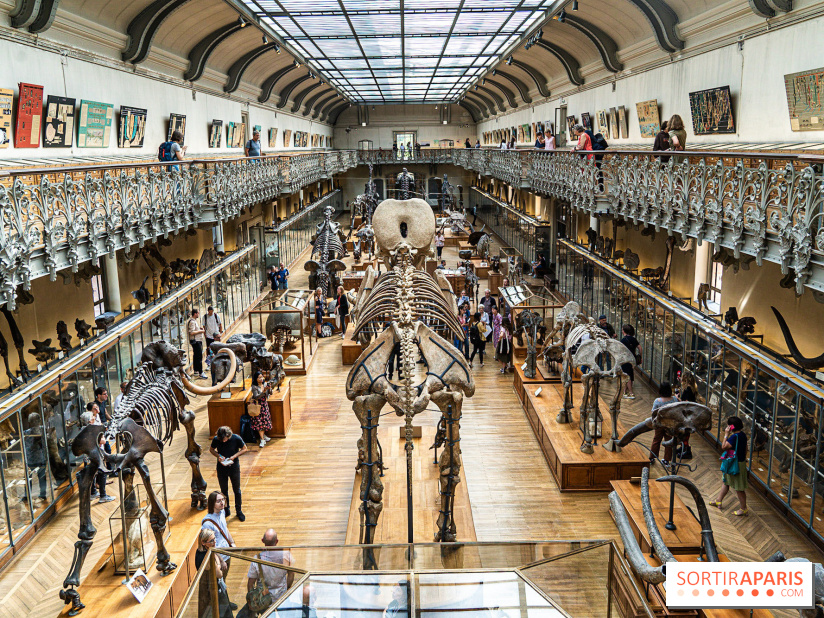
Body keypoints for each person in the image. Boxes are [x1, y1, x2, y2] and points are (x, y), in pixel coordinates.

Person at [237, 529, 294, 618]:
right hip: (281, 597)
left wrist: (254, 601)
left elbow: (251, 583)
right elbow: (291, 574)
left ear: (262, 541)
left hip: (263, 599)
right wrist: (286, 589)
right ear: (277, 541)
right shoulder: (286, 555)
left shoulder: (257, 558)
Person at [710, 416, 748, 516]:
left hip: (735, 464)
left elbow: (723, 446)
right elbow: (746, 448)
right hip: (739, 462)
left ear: (731, 427)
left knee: (739, 488)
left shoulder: (734, 437)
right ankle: (719, 500)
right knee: (726, 481)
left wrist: (726, 435)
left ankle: (743, 508)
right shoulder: (743, 435)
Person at [210, 427, 248, 521]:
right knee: (224, 490)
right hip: (221, 468)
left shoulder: (236, 438)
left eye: (225, 439)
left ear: (229, 435)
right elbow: (211, 450)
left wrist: (234, 457)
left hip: (234, 467)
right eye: (221, 439)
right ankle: (226, 509)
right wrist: (218, 456)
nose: (223, 441)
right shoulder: (216, 439)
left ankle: (239, 511)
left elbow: (244, 449)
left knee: (237, 490)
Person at [195, 528, 233, 618]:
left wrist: (221, 560)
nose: (215, 542)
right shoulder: (206, 558)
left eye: (214, 538)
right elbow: (219, 574)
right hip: (211, 588)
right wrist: (219, 563)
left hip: (211, 585)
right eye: (211, 541)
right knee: (219, 612)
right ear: (203, 543)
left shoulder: (203, 550)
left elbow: (214, 551)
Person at [649, 382, 679, 465]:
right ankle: (667, 460)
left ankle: (652, 457)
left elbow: (653, 412)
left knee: (656, 440)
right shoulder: (674, 399)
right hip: (669, 424)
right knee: (669, 440)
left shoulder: (657, 401)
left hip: (660, 424)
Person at [24, 412, 48, 502]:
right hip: (35, 458)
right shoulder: (40, 429)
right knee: (37, 477)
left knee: (34, 478)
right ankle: (38, 494)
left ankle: (33, 495)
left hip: (35, 458)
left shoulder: (29, 432)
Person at [675, 371, 698, 460]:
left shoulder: (688, 390)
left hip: (686, 415)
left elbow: (686, 403)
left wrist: (677, 399)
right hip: (689, 414)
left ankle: (687, 451)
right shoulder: (692, 388)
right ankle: (684, 448)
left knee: (685, 432)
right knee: (685, 432)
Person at [250, 372, 273, 448]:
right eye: (259, 377)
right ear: (256, 379)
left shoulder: (265, 384)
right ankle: (262, 439)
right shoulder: (254, 387)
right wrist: (263, 391)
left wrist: (269, 389)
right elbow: (256, 397)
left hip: (264, 404)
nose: (261, 379)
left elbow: (270, 393)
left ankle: (263, 435)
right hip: (258, 405)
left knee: (264, 420)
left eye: (261, 377)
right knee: (259, 422)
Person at [619, 324, 640, 399]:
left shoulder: (623, 340)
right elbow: (639, 347)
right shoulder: (633, 339)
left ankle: (631, 393)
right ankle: (625, 391)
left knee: (627, 376)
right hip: (632, 360)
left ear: (624, 331)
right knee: (629, 374)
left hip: (625, 360)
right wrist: (640, 356)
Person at [188, 308, 207, 379]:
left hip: (197, 340)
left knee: (196, 356)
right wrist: (201, 331)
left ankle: (196, 370)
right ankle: (200, 372)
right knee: (199, 357)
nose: (198, 314)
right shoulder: (192, 322)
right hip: (196, 341)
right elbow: (192, 332)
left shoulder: (194, 321)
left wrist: (199, 329)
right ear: (195, 314)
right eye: (198, 313)